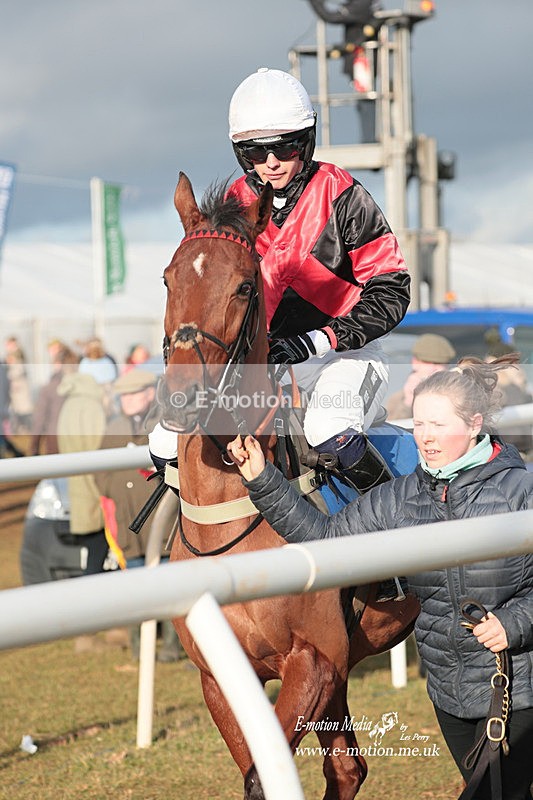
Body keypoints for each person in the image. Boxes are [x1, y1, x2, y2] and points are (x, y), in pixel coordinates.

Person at [227, 353, 533, 800]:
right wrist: (263, 480)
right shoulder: (400, 497)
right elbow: (327, 539)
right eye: (419, 425)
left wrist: (514, 624)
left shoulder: (520, 491)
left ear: (474, 424)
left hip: (521, 681)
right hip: (450, 695)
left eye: (439, 426)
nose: (425, 439)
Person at [224, 67, 411, 498]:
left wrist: (317, 341)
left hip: (345, 356)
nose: (271, 163)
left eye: (284, 147)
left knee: (329, 428)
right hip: (266, 361)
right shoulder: (234, 202)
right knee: (169, 436)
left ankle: (399, 529)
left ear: (305, 142)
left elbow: (392, 289)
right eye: (255, 151)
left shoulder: (344, 195)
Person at [95, 369, 182, 661]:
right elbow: (99, 471)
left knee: (171, 587)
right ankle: (137, 649)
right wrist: (114, 489)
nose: (126, 400)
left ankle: (173, 646)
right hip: (127, 522)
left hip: (163, 521)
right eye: (124, 395)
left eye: (132, 394)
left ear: (148, 393)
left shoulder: (165, 425)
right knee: (133, 586)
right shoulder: (114, 427)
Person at [386, 333, 456, 421]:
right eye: (428, 362)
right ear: (415, 362)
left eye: (439, 363)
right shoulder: (397, 400)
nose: (433, 368)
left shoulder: (458, 394)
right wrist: (409, 399)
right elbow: (394, 429)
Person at [29, 343, 79, 456]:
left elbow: (39, 420)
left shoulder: (49, 388)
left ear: (58, 364)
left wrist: (34, 447)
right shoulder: (81, 387)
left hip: (55, 440)